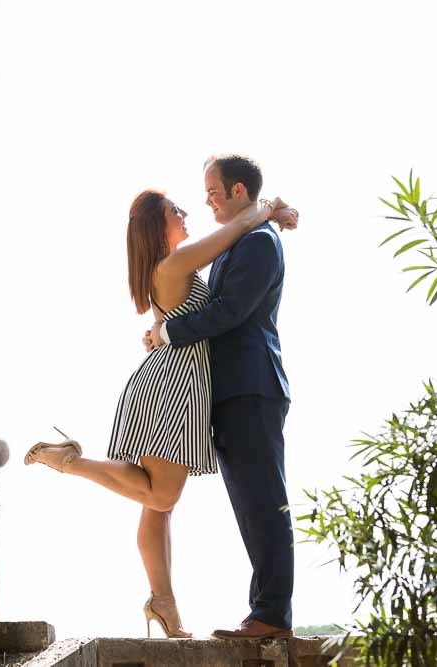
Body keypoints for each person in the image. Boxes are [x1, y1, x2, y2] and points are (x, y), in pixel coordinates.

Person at [25, 171, 298, 638]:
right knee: (162, 494)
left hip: (178, 384)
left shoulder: (169, 266)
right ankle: (70, 461)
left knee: (157, 506)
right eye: (177, 211)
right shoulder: (175, 265)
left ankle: (163, 604)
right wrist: (270, 208)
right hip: (173, 388)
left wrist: (273, 213)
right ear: (159, 225)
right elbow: (231, 232)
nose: (188, 212)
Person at [147, 155, 295, 640]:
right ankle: (264, 611)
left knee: (265, 501)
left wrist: (169, 333)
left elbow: (232, 310)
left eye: (212, 191)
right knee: (250, 505)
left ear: (237, 191)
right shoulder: (241, 240)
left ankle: (271, 615)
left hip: (252, 387)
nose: (206, 199)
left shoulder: (258, 242)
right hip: (230, 392)